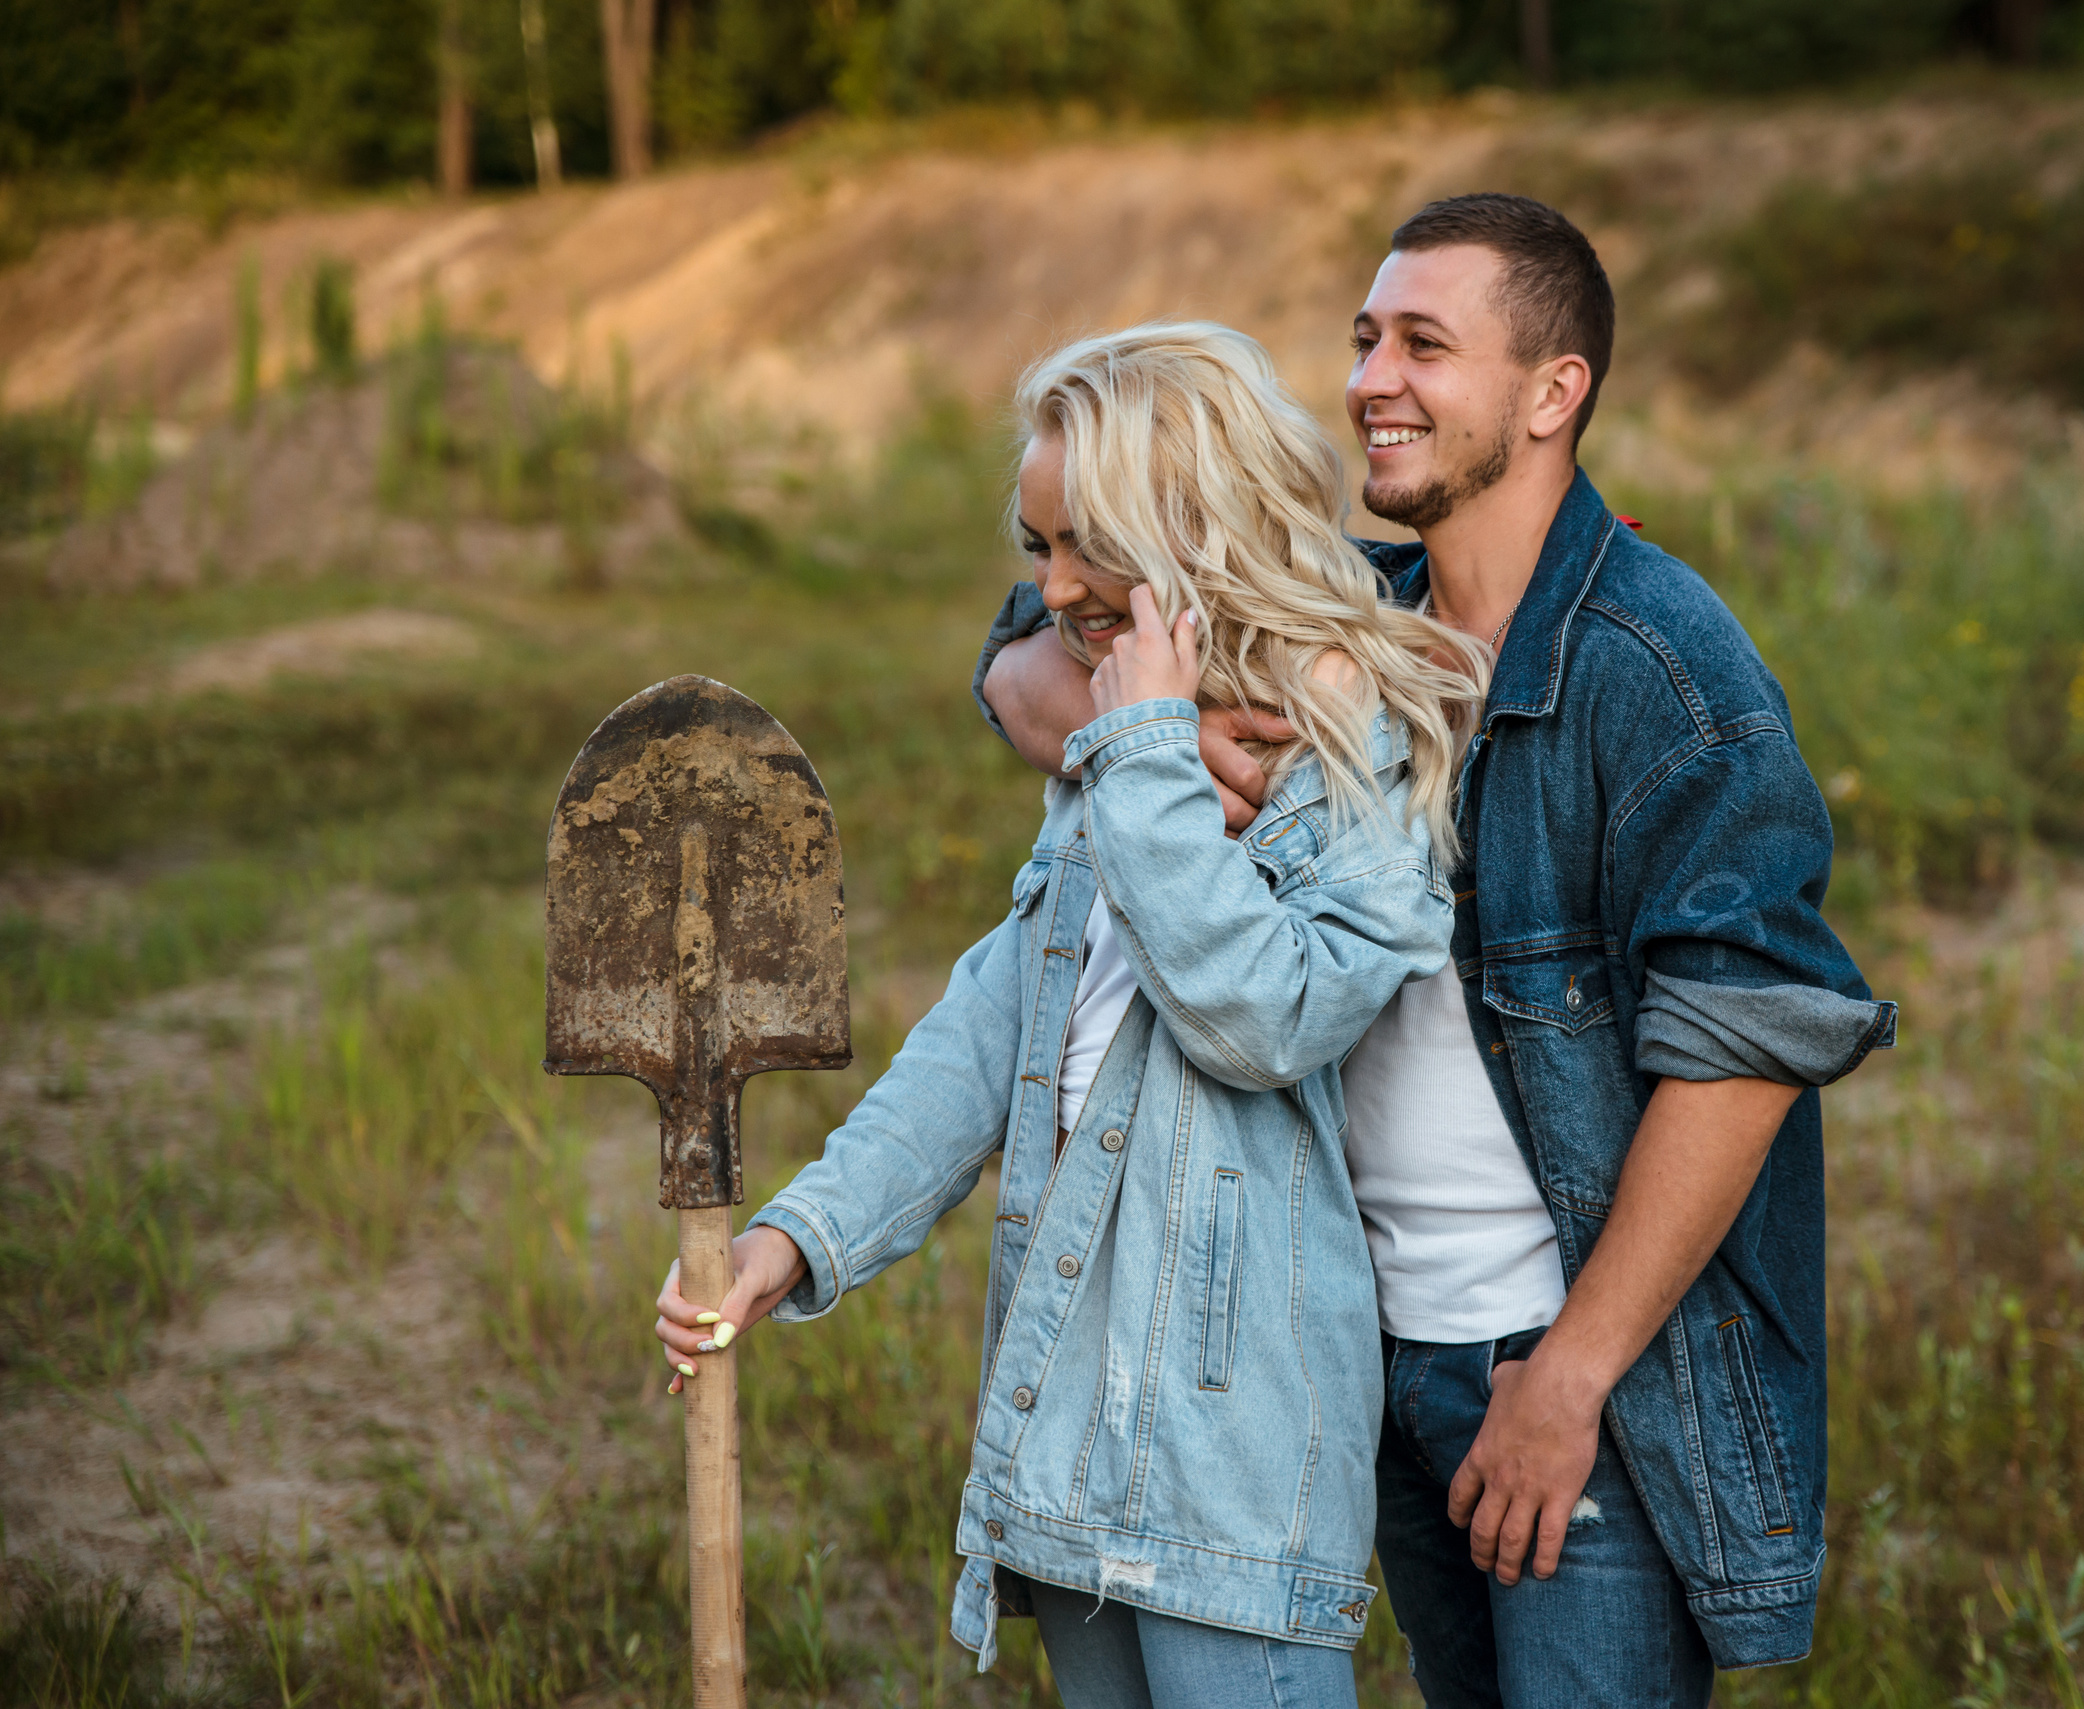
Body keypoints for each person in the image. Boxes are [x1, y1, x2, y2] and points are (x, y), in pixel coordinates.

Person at [979, 195, 1895, 1707]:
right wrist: (1164, 733)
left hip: (1554, 1362)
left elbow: (1749, 1049)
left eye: (1424, 343)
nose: (1371, 381)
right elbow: (1036, 635)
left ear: (1554, 393)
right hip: (1360, 1343)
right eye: (1361, 339)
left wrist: (1571, 1378)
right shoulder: (1352, 615)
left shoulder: (1657, 670)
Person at [652, 322, 1487, 1709]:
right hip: (1066, 1433)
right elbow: (997, 1025)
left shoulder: (1356, 738)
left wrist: (1148, 749)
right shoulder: (1129, 732)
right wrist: (795, 1239)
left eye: (1074, 547)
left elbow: (1264, 1019)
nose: (1047, 592)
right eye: (1035, 546)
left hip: (1230, 1457)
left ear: (1188, 526)